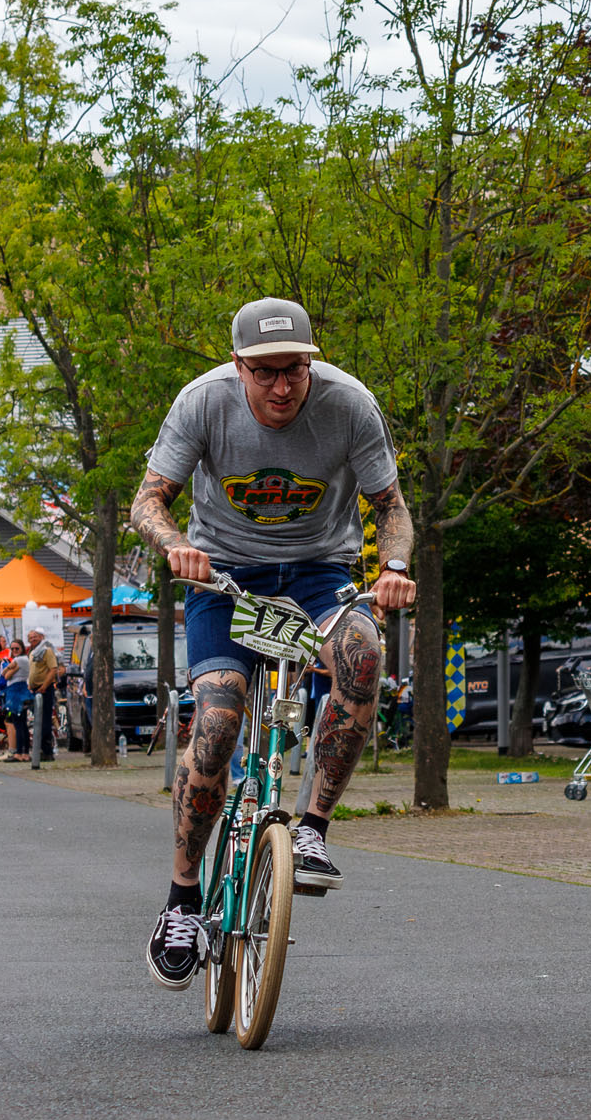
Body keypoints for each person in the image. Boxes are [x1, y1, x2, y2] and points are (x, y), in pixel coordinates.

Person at [130, 295, 416, 990]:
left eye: (294, 370)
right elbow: (148, 500)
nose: (282, 386)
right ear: (239, 366)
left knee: (363, 658)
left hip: (319, 577)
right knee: (220, 719)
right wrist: (175, 546)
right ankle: (182, 899)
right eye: (265, 372)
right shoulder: (203, 403)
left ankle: (312, 826)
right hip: (225, 578)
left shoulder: (349, 406)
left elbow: (392, 509)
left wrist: (396, 569)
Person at [25, 627, 58, 762]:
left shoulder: (46, 651)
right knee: (37, 721)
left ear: (41, 637)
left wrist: (44, 686)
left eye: (35, 636)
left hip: (44, 690)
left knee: (44, 721)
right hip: (34, 690)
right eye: (31, 637)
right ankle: (41, 750)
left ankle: (47, 751)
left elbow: (53, 669)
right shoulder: (32, 652)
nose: (33, 639)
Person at [1, 639, 33, 761]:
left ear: (22, 649)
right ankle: (25, 752)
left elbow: (5, 675)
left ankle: (19, 753)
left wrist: (9, 669)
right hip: (22, 691)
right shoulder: (25, 660)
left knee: (18, 724)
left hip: (16, 692)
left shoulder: (19, 660)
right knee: (22, 724)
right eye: (12, 649)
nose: (14, 651)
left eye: (16, 648)